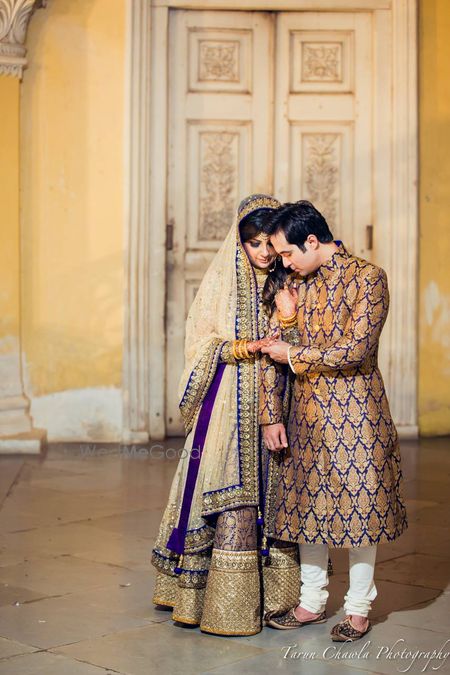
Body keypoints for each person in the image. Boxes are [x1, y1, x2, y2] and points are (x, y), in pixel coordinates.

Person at [151, 194, 301, 636]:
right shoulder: (221, 285)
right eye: (254, 243)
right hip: (227, 402)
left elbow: (303, 335)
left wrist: (287, 323)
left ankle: (278, 599)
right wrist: (243, 348)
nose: (264, 253)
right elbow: (200, 342)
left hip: (278, 397)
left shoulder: (289, 280)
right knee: (226, 488)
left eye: (269, 244)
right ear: (240, 243)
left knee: (276, 488)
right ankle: (220, 606)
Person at [259, 200, 408, 641]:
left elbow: (355, 350)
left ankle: (359, 608)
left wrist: (294, 353)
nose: (280, 262)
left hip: (356, 412)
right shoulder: (292, 283)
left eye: (286, 253)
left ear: (311, 240)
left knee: (362, 509)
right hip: (302, 412)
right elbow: (272, 352)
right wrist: (271, 415)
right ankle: (311, 601)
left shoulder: (368, 279)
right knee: (309, 509)